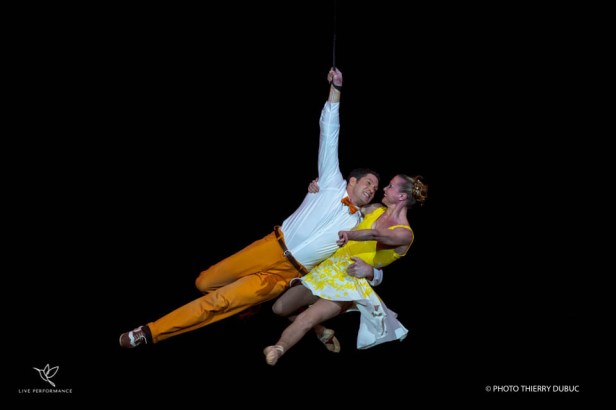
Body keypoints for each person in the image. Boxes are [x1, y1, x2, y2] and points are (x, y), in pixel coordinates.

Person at [119, 67, 384, 349]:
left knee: (220, 302)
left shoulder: (359, 226)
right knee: (204, 283)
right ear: (352, 180)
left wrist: (375, 274)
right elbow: (329, 133)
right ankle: (251, 306)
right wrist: (336, 89)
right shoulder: (330, 181)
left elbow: (385, 250)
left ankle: (150, 332)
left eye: (376, 188)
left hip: (283, 275)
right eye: (368, 182)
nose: (372, 188)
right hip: (269, 247)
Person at [263, 174, 428, 366]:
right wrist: (318, 189)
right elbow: (345, 203)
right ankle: (321, 331)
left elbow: (375, 234)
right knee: (279, 308)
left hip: (348, 282)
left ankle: (278, 349)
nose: (384, 189)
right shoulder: (375, 209)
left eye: (390, 186)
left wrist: (351, 235)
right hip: (328, 268)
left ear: (401, 196)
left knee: (307, 318)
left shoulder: (405, 234)